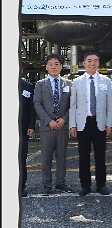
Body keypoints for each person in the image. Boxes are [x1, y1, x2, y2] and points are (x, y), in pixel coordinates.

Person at [70, 51, 112, 196]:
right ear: (84, 63)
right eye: (89, 60)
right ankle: (85, 186)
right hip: (83, 123)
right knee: (83, 156)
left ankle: (101, 185)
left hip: (99, 123)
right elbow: (73, 105)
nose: (92, 63)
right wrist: (73, 125)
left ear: (98, 63)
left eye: (95, 60)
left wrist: (109, 124)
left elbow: (109, 105)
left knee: (100, 156)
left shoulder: (105, 81)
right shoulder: (77, 82)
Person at [33, 53, 74, 195]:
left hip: (63, 126)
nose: (54, 66)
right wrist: (49, 121)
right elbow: (37, 103)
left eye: (57, 63)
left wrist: (64, 119)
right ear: (46, 67)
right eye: (51, 63)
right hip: (47, 127)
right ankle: (46, 185)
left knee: (62, 156)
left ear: (61, 67)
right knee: (46, 157)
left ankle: (60, 183)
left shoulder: (69, 84)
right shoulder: (40, 84)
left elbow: (72, 104)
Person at [20, 68, 36, 197]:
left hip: (22, 128)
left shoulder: (28, 86)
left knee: (21, 158)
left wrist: (31, 125)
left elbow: (32, 108)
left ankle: (21, 186)